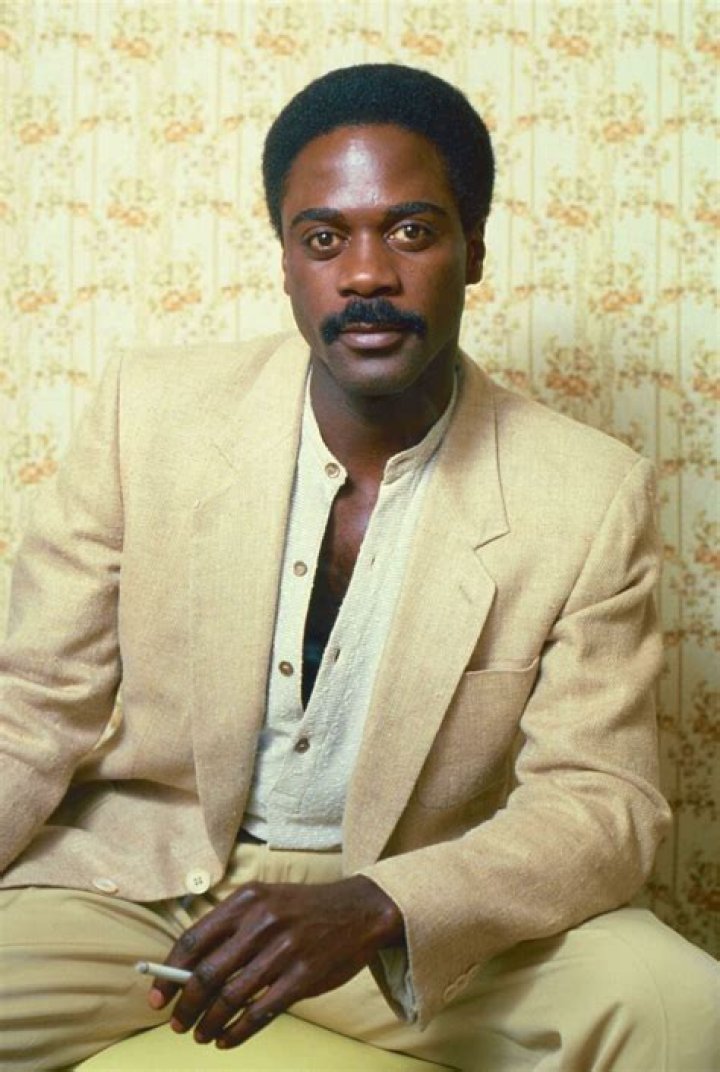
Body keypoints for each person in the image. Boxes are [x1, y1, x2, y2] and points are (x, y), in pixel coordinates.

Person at [0, 64, 717, 1072]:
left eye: (412, 231)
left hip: (404, 912)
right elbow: (34, 702)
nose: (367, 274)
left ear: (474, 250)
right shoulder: (146, 414)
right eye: (325, 238)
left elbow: (603, 799)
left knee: (682, 1008)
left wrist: (382, 904)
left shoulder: (588, 492)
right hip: (141, 890)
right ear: (287, 260)